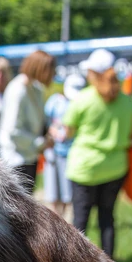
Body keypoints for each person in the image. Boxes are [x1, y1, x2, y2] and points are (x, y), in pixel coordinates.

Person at [64, 49, 132, 260]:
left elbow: (67, 131)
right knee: (107, 218)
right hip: (115, 168)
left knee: (80, 220)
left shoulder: (83, 99)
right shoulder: (127, 101)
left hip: (85, 168)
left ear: (93, 73)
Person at [0, 50, 55, 193]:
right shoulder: (18, 90)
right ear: (39, 68)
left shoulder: (36, 88)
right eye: (50, 70)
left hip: (30, 156)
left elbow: (39, 118)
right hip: (16, 159)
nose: (53, 75)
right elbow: (13, 130)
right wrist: (39, 143)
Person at [42, 74, 86, 218]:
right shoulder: (54, 101)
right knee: (53, 190)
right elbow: (46, 122)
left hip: (71, 154)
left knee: (68, 193)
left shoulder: (82, 103)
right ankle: (55, 217)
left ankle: (65, 219)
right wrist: (52, 131)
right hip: (54, 152)